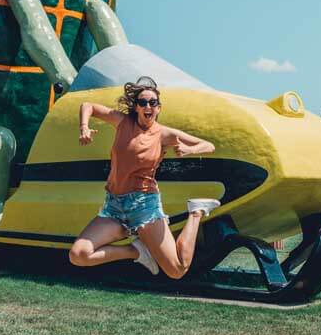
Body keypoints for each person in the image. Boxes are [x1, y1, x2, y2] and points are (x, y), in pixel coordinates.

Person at [69, 76, 219, 278]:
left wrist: (189, 150)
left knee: (177, 269)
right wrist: (84, 127)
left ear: (158, 108)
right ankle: (136, 251)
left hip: (144, 207)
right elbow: (88, 106)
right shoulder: (122, 122)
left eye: (153, 102)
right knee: (79, 255)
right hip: (114, 207)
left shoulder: (164, 134)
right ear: (137, 107)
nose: (148, 106)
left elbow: (208, 146)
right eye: (142, 102)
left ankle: (196, 212)